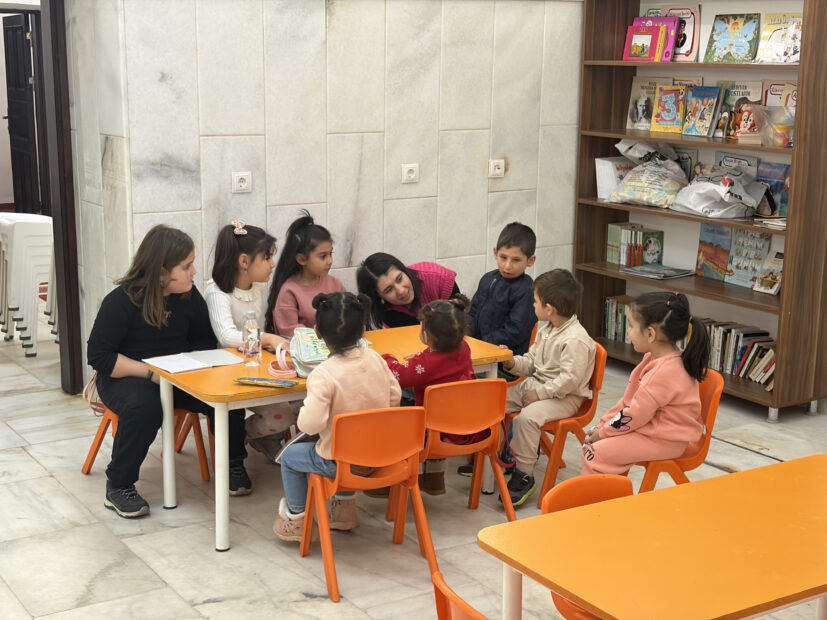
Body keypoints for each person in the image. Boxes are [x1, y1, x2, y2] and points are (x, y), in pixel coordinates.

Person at [87, 225, 251, 519]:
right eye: (186, 266)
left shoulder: (188, 296)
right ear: (161, 272)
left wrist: (192, 364)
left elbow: (203, 338)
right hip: (128, 376)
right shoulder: (120, 302)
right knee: (145, 405)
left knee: (227, 389)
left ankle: (232, 462)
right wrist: (152, 372)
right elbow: (99, 356)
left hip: (178, 374)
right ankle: (119, 485)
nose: (193, 271)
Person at [273, 292, 401, 542]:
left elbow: (310, 424)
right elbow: (394, 397)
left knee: (289, 457)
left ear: (317, 332)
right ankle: (343, 512)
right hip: (382, 455)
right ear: (364, 329)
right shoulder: (376, 359)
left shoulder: (323, 374)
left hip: (343, 463)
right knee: (348, 441)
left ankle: (297, 519)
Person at [582, 292, 709, 476]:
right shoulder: (653, 359)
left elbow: (633, 416)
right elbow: (627, 403)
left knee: (595, 453)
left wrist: (603, 433)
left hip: (665, 440)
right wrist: (602, 426)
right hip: (651, 430)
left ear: (650, 334)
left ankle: (599, 503)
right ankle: (611, 495)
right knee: (598, 446)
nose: (628, 331)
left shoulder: (662, 372)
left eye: (631, 326)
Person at [500, 269, 595, 506]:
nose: (533, 305)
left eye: (535, 301)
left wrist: (539, 393)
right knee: (494, 400)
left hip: (566, 398)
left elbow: (570, 381)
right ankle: (499, 455)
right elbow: (532, 364)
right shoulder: (547, 330)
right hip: (538, 387)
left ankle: (524, 473)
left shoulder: (575, 339)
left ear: (549, 308)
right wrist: (512, 362)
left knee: (527, 418)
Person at [204, 220, 295, 461]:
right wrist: (265, 338)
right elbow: (225, 336)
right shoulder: (217, 291)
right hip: (228, 371)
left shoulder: (258, 287)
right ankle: (237, 440)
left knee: (301, 400)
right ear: (244, 261)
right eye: (266, 258)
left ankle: (267, 439)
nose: (272, 264)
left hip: (256, 363)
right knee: (282, 414)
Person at [380, 296, 475, 495]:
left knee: (392, 423)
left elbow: (398, 375)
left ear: (428, 336)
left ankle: (388, 483)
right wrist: (423, 356)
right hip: (463, 425)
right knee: (435, 412)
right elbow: (437, 362)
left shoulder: (427, 364)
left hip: (431, 432)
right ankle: (434, 479)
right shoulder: (464, 349)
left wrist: (386, 357)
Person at [266, 211, 344, 338]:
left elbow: (347, 314)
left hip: (337, 349)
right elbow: (289, 331)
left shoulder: (335, 284)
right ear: (302, 259)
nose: (329, 261)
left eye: (331, 254)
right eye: (323, 256)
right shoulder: (289, 291)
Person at [468, 221, 536, 356]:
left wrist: (482, 345)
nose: (507, 266)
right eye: (503, 257)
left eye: (516, 260)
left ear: (530, 261)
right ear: (495, 253)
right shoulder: (487, 279)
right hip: (478, 352)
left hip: (506, 363)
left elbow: (515, 331)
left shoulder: (527, 291)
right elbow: (472, 313)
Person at [356, 252, 460, 329]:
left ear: (403, 270)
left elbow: (460, 323)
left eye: (399, 279)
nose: (401, 291)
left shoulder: (439, 278)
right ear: (378, 297)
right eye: (388, 290)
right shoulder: (387, 310)